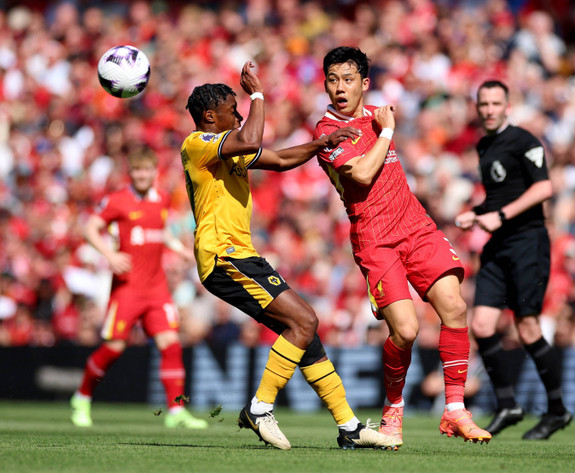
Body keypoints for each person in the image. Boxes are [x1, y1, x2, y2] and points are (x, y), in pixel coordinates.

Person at [181, 60, 399, 450]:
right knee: (305, 320)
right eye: (234, 109)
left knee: (305, 333)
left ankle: (348, 427)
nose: (240, 113)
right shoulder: (198, 144)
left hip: (241, 255)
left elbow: (279, 160)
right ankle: (259, 408)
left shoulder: (225, 151)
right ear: (211, 115)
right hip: (222, 256)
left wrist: (321, 144)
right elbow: (251, 140)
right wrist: (259, 95)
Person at [313, 46, 491, 444]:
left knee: (455, 306)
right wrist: (388, 131)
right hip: (375, 237)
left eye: (347, 79)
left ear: (364, 83)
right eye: (332, 79)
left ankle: (456, 410)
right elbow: (360, 173)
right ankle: (393, 408)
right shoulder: (327, 131)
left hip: (415, 224)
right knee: (406, 331)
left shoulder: (376, 114)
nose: (339, 87)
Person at [455, 79, 573, 440]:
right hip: (498, 244)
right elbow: (498, 197)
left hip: (527, 243)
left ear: (508, 106)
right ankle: (507, 404)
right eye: (483, 104)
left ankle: (557, 411)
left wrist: (502, 216)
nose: (488, 109)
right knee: (482, 324)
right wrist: (476, 213)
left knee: (528, 328)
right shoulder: (484, 145)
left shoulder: (524, 140)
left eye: (495, 103)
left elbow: (544, 187)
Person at [70, 149, 207, 429]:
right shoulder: (117, 201)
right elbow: (90, 228)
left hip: (157, 289)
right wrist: (109, 256)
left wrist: (180, 249)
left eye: (146, 170)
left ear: (154, 172)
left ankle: (175, 409)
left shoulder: (162, 199)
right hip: (128, 289)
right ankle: (82, 397)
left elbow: (160, 231)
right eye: (137, 171)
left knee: (171, 344)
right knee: (114, 348)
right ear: (130, 173)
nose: (141, 175)